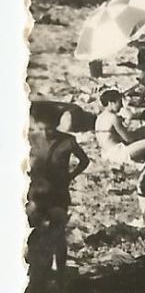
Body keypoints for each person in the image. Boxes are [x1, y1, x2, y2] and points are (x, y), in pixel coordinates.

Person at [28, 105, 88, 276]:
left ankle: (60, 272)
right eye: (42, 129)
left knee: (59, 233)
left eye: (50, 129)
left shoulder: (68, 141)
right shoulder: (32, 139)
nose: (46, 133)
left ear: (56, 125)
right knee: (35, 232)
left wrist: (71, 175)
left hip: (59, 193)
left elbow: (84, 161)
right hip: (37, 193)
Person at [94, 89, 145, 165]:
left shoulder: (100, 117)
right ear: (111, 103)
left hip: (106, 153)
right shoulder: (113, 118)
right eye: (119, 102)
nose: (121, 106)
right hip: (118, 154)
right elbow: (128, 139)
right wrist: (140, 132)